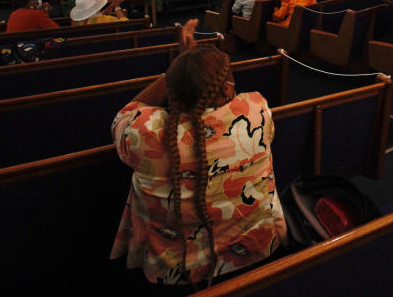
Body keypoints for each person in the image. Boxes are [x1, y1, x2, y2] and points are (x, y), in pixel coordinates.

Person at [111, 19, 287, 288]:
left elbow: (126, 113)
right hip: (260, 253)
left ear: (173, 93)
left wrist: (176, 71)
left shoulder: (144, 132)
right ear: (228, 87)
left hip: (176, 273)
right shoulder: (255, 111)